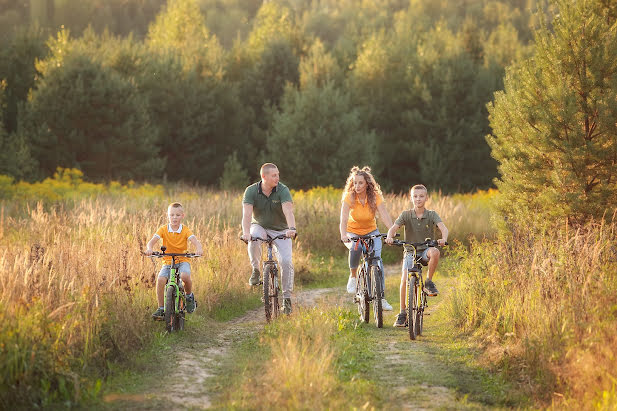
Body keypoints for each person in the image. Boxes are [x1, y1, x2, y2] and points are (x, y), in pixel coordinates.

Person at [386, 184, 449, 327]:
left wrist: (443, 239)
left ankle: (428, 282)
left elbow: (443, 228)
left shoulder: (432, 214)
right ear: (411, 198)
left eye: (421, 196)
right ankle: (402, 313)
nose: (418, 199)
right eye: (415, 196)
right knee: (404, 280)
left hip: (425, 250)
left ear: (426, 198)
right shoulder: (406, 214)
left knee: (435, 252)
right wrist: (390, 237)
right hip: (410, 251)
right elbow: (393, 228)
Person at [240, 163, 297, 315]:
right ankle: (256, 270)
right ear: (263, 177)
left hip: (282, 229)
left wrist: (292, 228)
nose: (277, 177)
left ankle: (286, 298)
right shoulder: (251, 191)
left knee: (286, 261)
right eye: (274, 175)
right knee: (254, 238)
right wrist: (246, 232)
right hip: (260, 226)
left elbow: (288, 211)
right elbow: (246, 215)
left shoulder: (283, 190)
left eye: (278, 174)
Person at [339, 166, 394, 311]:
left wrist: (391, 231)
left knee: (377, 262)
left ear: (367, 184)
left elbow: (384, 215)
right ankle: (352, 277)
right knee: (356, 247)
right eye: (355, 183)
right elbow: (343, 219)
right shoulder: (349, 196)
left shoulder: (375, 197)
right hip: (352, 232)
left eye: (360, 183)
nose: (357, 186)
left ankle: (381, 299)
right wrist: (343, 234)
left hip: (371, 231)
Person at [145, 202, 203, 320]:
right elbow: (152, 241)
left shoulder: (185, 230)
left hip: (183, 259)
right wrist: (149, 248)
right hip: (167, 261)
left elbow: (195, 240)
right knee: (161, 280)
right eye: (171, 215)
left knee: (185, 276)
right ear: (168, 216)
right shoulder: (163, 229)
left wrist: (199, 248)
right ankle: (161, 308)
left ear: (182, 216)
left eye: (177, 215)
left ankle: (189, 296)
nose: (174, 218)